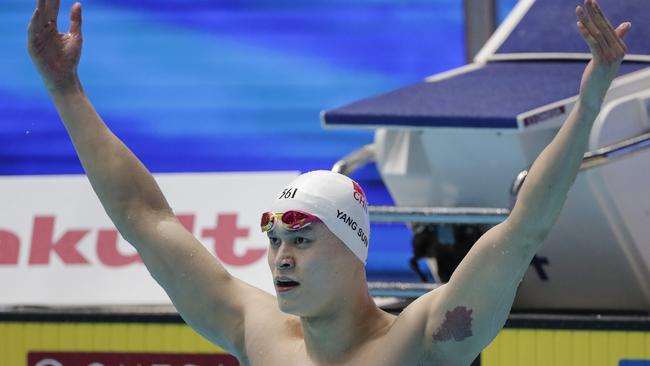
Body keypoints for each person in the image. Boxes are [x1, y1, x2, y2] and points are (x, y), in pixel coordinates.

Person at [27, 0, 630, 364]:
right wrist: (65, 90)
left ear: (352, 249)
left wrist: (589, 103)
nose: (279, 258)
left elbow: (523, 228)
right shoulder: (256, 332)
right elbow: (144, 217)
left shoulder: (421, 342)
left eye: (302, 240)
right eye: (275, 240)